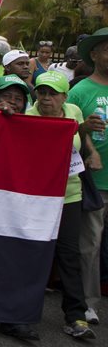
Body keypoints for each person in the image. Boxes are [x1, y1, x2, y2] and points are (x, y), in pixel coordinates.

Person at [16, 71, 95, 342]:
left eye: (52, 93)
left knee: (69, 255)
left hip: (69, 194)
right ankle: (19, 314)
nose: (46, 98)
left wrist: (91, 150)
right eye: (41, 92)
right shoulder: (28, 117)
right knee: (32, 254)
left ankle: (76, 315)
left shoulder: (73, 111)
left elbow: (80, 142)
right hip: (36, 196)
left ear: (65, 97)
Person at [67, 27, 108, 327]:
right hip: (96, 180)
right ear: (94, 55)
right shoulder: (80, 91)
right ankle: (88, 302)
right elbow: (68, 129)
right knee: (90, 242)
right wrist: (88, 140)